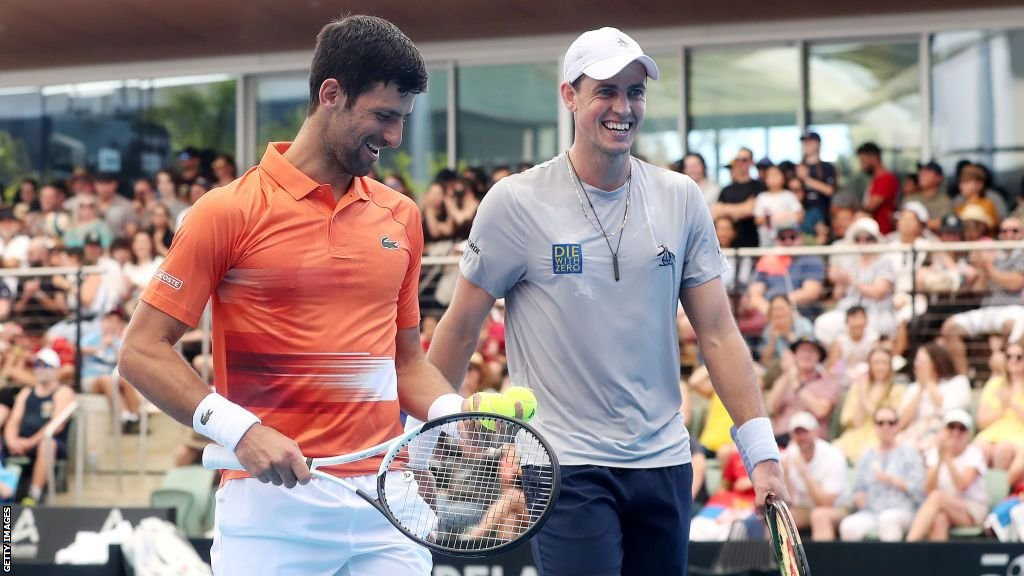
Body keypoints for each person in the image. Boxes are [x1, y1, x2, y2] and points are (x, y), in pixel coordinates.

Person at [118, 16, 524, 576]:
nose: (394, 138)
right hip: (270, 506)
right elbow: (140, 351)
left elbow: (405, 362)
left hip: (387, 501)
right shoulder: (225, 211)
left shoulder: (401, 216)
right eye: (383, 116)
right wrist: (241, 432)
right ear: (331, 94)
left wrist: (454, 414)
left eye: (402, 120)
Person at [424, 26, 787, 576]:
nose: (623, 107)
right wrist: (424, 442)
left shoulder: (681, 198)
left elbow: (718, 333)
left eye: (635, 92)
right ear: (569, 96)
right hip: (562, 465)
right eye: (606, 91)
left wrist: (762, 455)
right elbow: (459, 328)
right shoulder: (515, 202)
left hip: (664, 463)